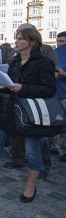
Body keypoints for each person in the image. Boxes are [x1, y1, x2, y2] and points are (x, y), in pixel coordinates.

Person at [0, 25, 56, 203]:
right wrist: (2, 86)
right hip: (12, 110)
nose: (16, 41)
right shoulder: (16, 61)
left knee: (33, 152)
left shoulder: (43, 63)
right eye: (16, 38)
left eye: (20, 39)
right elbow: (12, 85)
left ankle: (30, 185)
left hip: (31, 114)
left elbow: (49, 89)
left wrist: (23, 88)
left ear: (32, 42)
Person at [56, 31, 66, 162]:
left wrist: (61, 73)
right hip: (55, 94)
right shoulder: (56, 53)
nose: (60, 44)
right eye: (58, 41)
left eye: (62, 41)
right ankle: (57, 146)